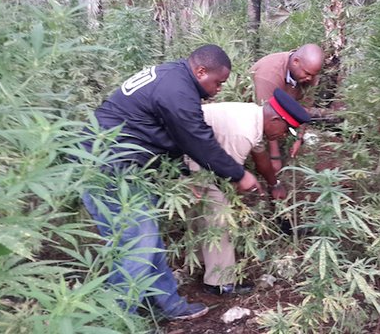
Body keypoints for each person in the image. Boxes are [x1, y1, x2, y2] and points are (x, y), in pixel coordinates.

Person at [81, 44, 262, 321]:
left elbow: (167, 136)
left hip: (128, 166)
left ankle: (168, 305)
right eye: (218, 82)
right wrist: (239, 175)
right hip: (109, 168)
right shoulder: (177, 89)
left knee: (147, 239)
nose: (219, 89)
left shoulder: (174, 79)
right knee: (136, 245)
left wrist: (181, 175)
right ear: (200, 71)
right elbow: (197, 140)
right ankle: (118, 319)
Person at [184, 88, 310, 295]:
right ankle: (220, 283)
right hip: (188, 157)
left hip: (192, 150)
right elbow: (227, 178)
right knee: (219, 213)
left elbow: (261, 158)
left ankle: (199, 262)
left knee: (206, 209)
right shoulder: (242, 133)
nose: (284, 135)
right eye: (286, 129)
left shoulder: (255, 116)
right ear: (276, 120)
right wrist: (241, 201)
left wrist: (273, 184)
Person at [251, 44, 324, 172]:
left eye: (313, 75)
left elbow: (304, 108)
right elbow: (266, 117)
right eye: (307, 74)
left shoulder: (309, 73)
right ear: (296, 62)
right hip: (254, 115)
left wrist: (299, 139)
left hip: (277, 116)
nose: (310, 79)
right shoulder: (269, 75)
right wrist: (275, 157)